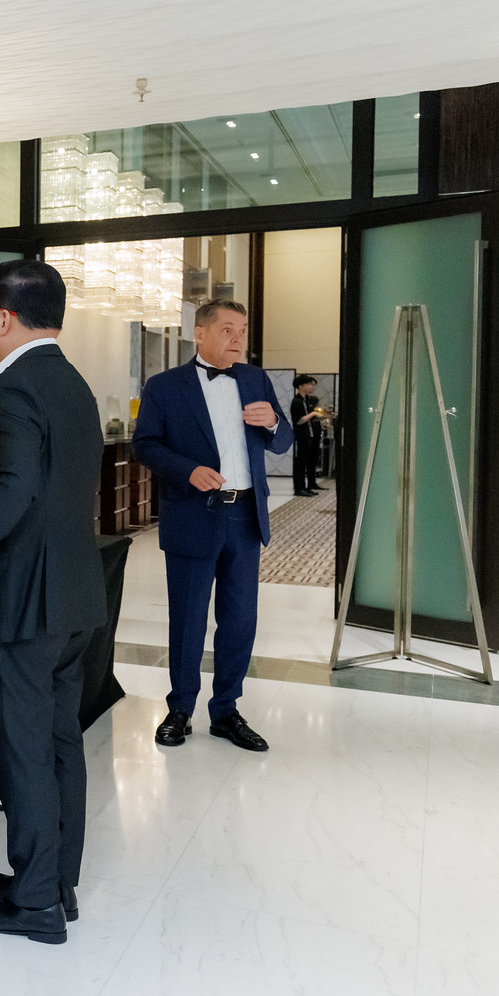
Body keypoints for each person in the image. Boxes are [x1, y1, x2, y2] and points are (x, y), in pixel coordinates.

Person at [0, 260, 107, 946]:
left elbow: (10, 487)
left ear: (4, 318)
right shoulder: (72, 384)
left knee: (25, 752)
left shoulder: (12, 388)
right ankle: (55, 882)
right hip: (73, 597)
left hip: (21, 604)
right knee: (61, 743)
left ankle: (34, 901)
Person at [131, 299, 291, 753]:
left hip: (244, 516)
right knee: (188, 617)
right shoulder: (164, 386)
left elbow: (281, 442)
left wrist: (275, 421)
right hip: (192, 513)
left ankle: (226, 711)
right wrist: (186, 470)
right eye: (226, 329)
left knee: (239, 618)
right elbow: (145, 445)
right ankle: (179, 708)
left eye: (242, 330)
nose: (237, 339)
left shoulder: (256, 379)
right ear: (198, 334)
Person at [290, 374, 324, 496]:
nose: (311, 387)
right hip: (302, 436)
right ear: (301, 386)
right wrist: (313, 414)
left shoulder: (308, 400)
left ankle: (309, 484)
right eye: (308, 384)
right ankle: (299, 488)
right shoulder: (297, 402)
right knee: (301, 462)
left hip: (311, 434)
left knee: (311, 460)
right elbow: (299, 420)